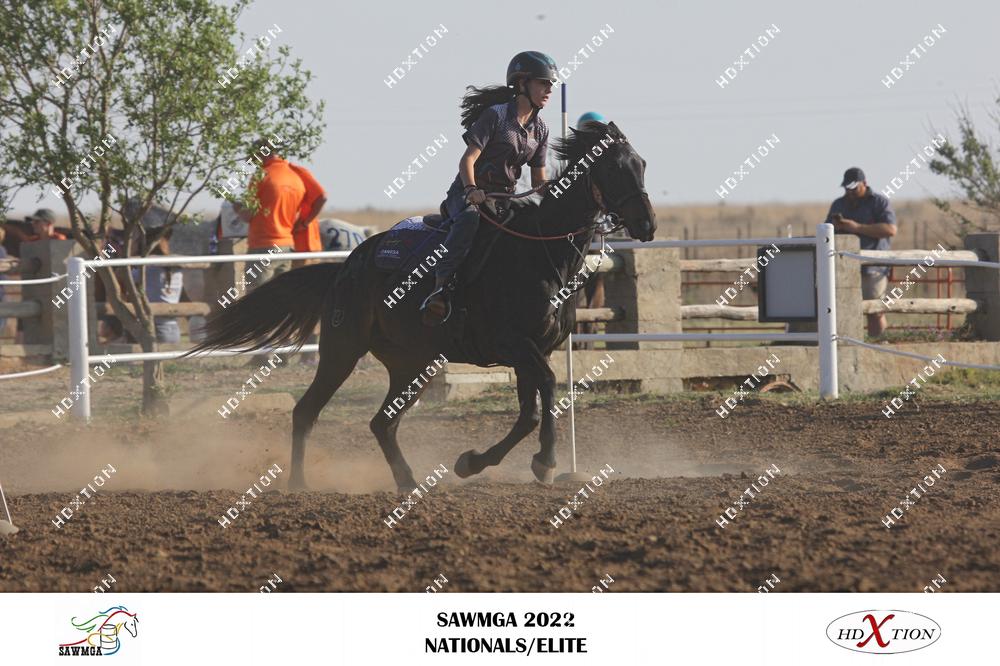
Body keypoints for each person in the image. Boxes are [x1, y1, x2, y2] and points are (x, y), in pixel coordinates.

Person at [420, 51, 558, 326]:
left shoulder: (541, 130)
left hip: (503, 201)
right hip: (466, 195)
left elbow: (538, 183)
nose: (549, 90)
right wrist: (472, 190)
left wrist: (560, 192)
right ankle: (440, 287)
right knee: (470, 219)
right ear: (522, 83)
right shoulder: (496, 116)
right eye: (543, 83)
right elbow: (467, 160)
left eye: (551, 84)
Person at [232, 138, 326, 286]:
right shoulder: (295, 176)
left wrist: (236, 206)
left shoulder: (261, 176)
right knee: (279, 295)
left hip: (263, 246)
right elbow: (321, 197)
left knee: (256, 295)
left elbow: (247, 215)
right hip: (287, 246)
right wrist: (304, 223)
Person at [826, 167, 898, 338]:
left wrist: (857, 228)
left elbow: (890, 229)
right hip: (844, 267)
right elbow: (826, 230)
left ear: (864, 183)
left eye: (854, 188)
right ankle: (848, 343)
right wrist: (836, 226)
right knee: (843, 308)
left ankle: (877, 343)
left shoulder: (879, 202)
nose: (850, 192)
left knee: (874, 310)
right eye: (847, 188)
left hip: (873, 267)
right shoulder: (838, 204)